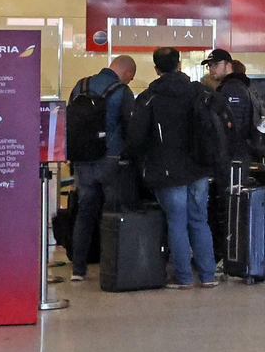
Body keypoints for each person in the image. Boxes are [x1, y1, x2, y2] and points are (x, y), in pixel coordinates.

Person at [126, 47, 221, 289]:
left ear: (156, 69)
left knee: (176, 222)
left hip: (167, 170)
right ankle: (208, 275)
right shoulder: (200, 91)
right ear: (179, 65)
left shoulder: (149, 98)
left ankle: (184, 277)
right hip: (199, 168)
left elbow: (136, 138)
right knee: (199, 220)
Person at [66, 55, 137, 281]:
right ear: (126, 74)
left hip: (82, 160)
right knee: (113, 215)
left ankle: (78, 270)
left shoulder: (80, 85)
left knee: (84, 214)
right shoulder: (121, 91)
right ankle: (113, 268)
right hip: (110, 160)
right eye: (131, 78)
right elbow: (130, 127)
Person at [203, 49, 257, 263]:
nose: (211, 69)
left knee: (230, 208)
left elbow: (231, 129)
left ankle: (231, 257)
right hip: (233, 158)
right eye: (209, 66)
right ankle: (229, 256)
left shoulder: (232, 89)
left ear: (227, 64)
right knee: (228, 206)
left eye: (215, 65)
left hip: (232, 159)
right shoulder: (231, 87)